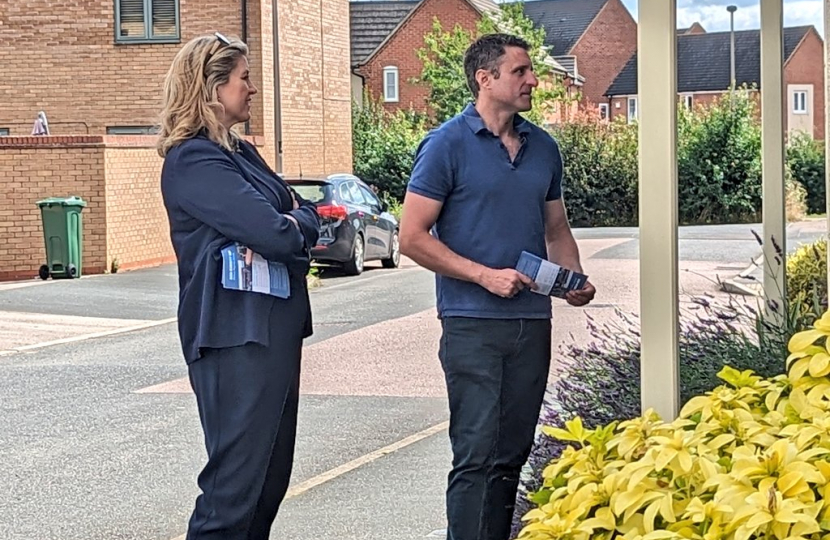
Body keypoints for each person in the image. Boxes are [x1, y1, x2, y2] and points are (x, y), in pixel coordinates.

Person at [399, 33, 596, 540]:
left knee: (512, 455)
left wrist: (573, 279)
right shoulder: (445, 145)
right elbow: (412, 238)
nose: (533, 80)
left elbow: (556, 229)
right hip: (471, 323)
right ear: (485, 79)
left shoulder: (543, 147)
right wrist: (483, 275)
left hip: (532, 322)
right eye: (521, 71)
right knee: (476, 455)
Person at [156, 32, 320, 540]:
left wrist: (295, 222)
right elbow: (275, 230)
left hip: (271, 330)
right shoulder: (193, 160)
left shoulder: (240, 153)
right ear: (211, 87)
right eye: (244, 78)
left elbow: (305, 214)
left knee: (267, 482)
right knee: (234, 489)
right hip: (233, 335)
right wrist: (291, 224)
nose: (251, 89)